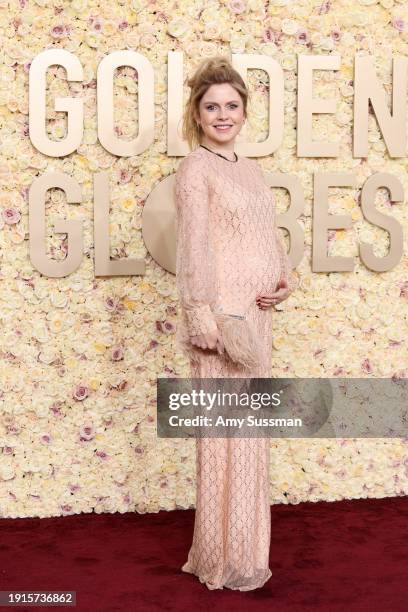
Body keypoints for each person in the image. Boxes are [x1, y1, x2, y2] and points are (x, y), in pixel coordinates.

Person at [174, 56, 298, 591]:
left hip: (257, 317)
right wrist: (199, 312)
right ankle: (221, 558)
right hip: (221, 323)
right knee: (223, 439)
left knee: (250, 435)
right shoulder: (194, 169)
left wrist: (284, 277)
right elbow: (195, 245)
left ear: (244, 110)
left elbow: (261, 234)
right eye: (211, 107)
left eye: (231, 105)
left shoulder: (251, 167)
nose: (222, 115)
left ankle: (246, 551)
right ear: (197, 115)